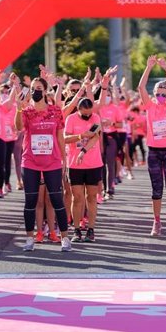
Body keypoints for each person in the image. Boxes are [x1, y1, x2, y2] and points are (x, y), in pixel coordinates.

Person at [16, 77, 72, 252]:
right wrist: (18, 109)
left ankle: (65, 238)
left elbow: (60, 137)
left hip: (52, 161)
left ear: (46, 90)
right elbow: (18, 128)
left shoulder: (55, 111)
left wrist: (64, 160)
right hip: (31, 161)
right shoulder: (26, 112)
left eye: (39, 87)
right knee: (31, 200)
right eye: (33, 88)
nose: (35, 91)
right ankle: (29, 239)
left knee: (56, 199)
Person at [138, 55, 166, 237]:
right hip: (154, 151)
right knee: (156, 189)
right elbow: (141, 87)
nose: (161, 96)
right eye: (157, 93)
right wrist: (148, 67)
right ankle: (156, 222)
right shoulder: (149, 105)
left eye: (164, 93)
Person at [64, 98, 103, 243]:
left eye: (89, 113)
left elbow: (95, 137)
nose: (88, 116)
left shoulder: (96, 117)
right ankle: (76, 229)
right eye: (85, 114)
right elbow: (65, 138)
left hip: (93, 163)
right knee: (77, 197)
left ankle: (91, 229)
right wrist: (81, 136)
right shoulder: (71, 119)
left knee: (91, 197)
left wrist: (83, 151)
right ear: (79, 110)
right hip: (75, 165)